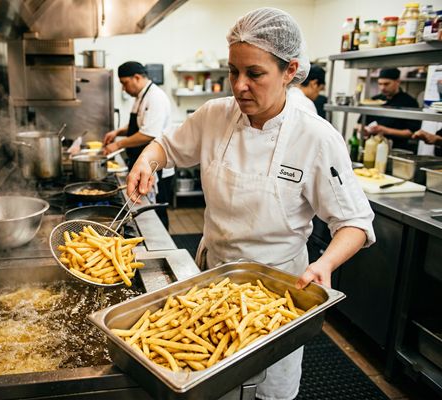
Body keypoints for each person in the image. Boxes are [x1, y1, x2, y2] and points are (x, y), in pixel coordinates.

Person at [126, 8, 375, 400]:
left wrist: (325, 264)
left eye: (255, 74)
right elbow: (166, 147)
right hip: (210, 284)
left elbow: (355, 222)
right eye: (233, 71)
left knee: (266, 391)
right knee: (210, 384)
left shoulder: (316, 137)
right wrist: (146, 161)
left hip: (274, 299)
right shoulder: (214, 115)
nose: (240, 86)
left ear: (290, 70)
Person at [103, 61, 174, 229]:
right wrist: (118, 132)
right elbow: (139, 125)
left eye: (125, 83)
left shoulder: (155, 97)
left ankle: (161, 240)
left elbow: (148, 133)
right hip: (143, 164)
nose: (123, 89)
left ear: (136, 78)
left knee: (156, 211)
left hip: (157, 168)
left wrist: (118, 145)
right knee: (146, 209)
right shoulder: (141, 96)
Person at [363, 68, 421, 152]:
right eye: (380, 84)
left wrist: (384, 130)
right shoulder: (374, 100)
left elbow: (411, 132)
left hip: (398, 149)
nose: (382, 88)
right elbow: (360, 124)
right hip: (372, 147)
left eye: (386, 84)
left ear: (398, 82)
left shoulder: (409, 102)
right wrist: (364, 130)